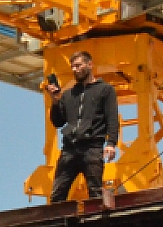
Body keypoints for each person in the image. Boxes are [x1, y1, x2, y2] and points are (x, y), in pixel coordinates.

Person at [45, 51, 120, 203]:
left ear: (90, 65)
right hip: (69, 149)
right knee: (57, 195)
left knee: (95, 193)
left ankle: (98, 217)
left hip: (92, 148)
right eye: (73, 67)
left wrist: (111, 143)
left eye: (78, 65)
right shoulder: (68, 94)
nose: (75, 69)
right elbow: (58, 122)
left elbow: (112, 118)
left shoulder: (105, 90)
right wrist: (55, 101)